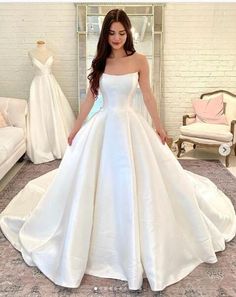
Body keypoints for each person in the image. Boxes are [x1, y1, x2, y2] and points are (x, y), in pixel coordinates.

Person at [0, 9, 235, 292]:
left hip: (130, 125)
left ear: (128, 33)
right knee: (96, 180)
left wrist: (159, 126)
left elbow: (147, 94)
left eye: (121, 33)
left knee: (142, 181)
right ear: (105, 34)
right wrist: (75, 129)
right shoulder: (100, 62)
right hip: (103, 125)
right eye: (111, 33)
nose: (116, 38)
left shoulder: (139, 60)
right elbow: (91, 97)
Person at [27, 40, 76, 164]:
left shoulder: (50, 52)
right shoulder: (31, 53)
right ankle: (43, 147)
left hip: (50, 85)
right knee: (40, 115)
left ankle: (58, 144)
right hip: (37, 87)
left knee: (54, 112)